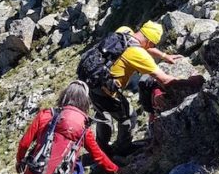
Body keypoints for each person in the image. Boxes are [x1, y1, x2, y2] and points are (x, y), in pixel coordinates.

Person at [16, 80, 119, 174]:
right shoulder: (83, 127)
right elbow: (98, 156)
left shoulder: (45, 115)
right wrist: (116, 170)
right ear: (85, 101)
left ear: (64, 96)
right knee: (77, 168)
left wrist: (20, 161)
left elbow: (24, 144)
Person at [77, 20, 183, 151]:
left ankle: (102, 147)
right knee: (129, 116)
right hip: (106, 91)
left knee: (103, 115)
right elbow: (164, 79)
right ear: (150, 42)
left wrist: (164, 55)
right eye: (153, 44)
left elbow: (143, 44)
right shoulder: (138, 54)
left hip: (92, 81)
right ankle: (123, 148)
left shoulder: (124, 30)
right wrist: (190, 81)